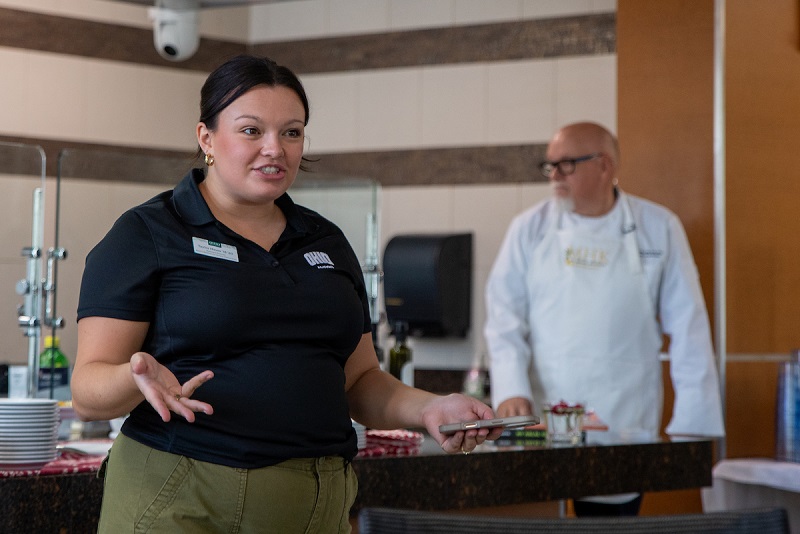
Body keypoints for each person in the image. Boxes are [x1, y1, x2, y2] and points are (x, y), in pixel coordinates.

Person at [71, 54, 501, 534]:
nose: (274, 149)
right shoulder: (147, 232)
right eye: (252, 131)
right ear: (206, 138)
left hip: (317, 502)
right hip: (184, 494)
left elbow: (359, 381)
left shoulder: (325, 241)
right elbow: (87, 392)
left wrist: (428, 408)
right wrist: (136, 380)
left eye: (291, 132)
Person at [484, 121, 725, 516]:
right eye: (550, 166)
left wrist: (692, 431)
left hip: (623, 420)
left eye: (567, 165)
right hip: (544, 422)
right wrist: (511, 389)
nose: (555, 177)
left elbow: (689, 330)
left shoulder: (659, 227)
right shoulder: (529, 229)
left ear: (605, 166)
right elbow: (504, 318)